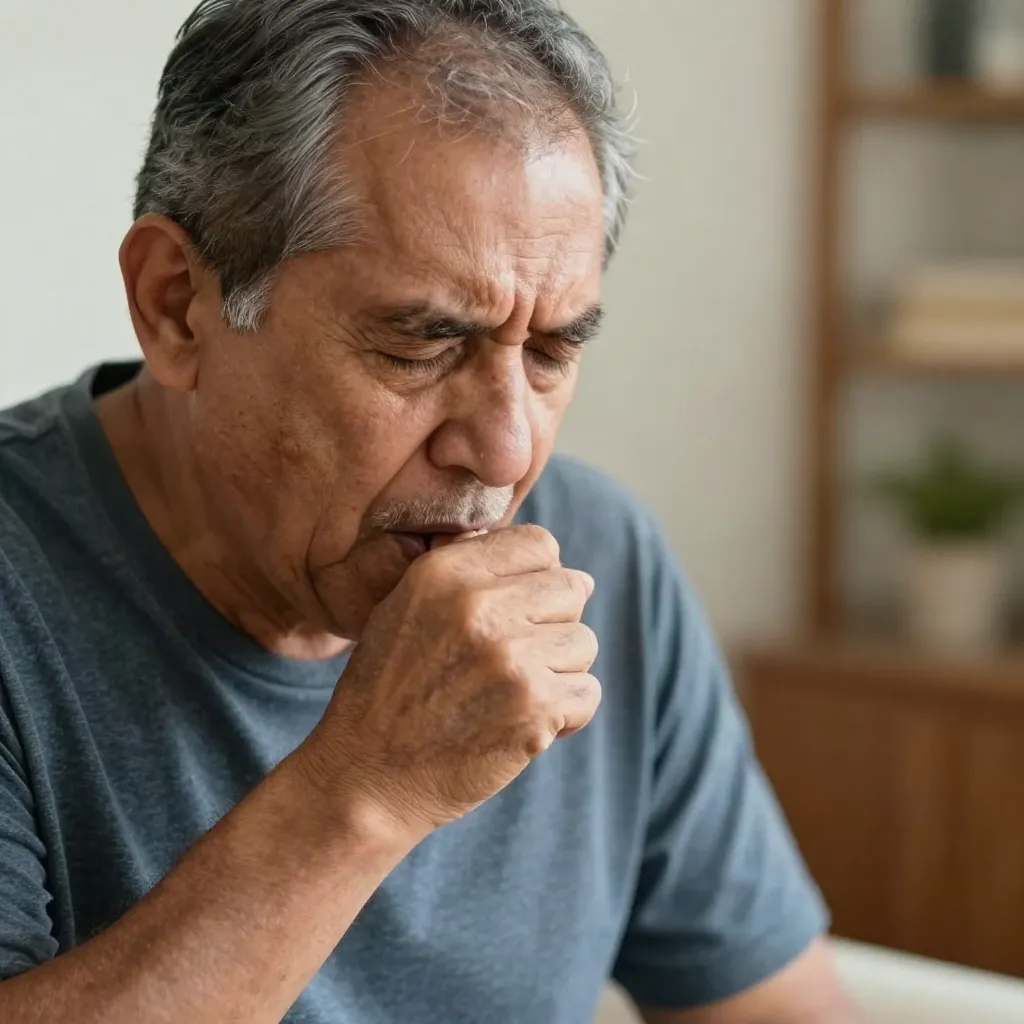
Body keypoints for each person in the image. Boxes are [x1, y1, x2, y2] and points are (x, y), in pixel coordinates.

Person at [0, 1, 860, 1021]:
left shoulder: (601, 561)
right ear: (177, 302)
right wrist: (363, 790)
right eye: (422, 344)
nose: (505, 449)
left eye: (549, 351)